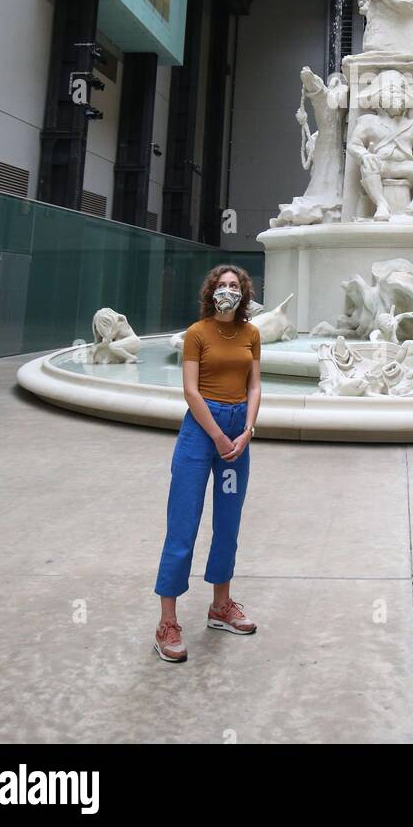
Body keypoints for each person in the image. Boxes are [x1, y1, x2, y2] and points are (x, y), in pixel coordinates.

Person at [153, 265, 261, 662]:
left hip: (237, 432)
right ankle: (167, 621)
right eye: (221, 285)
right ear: (211, 291)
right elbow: (190, 390)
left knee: (228, 522)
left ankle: (221, 606)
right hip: (202, 432)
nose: (227, 291)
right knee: (183, 521)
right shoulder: (197, 333)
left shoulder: (252, 334)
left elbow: (254, 384)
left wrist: (247, 430)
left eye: (234, 286)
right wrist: (217, 434)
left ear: (243, 293)